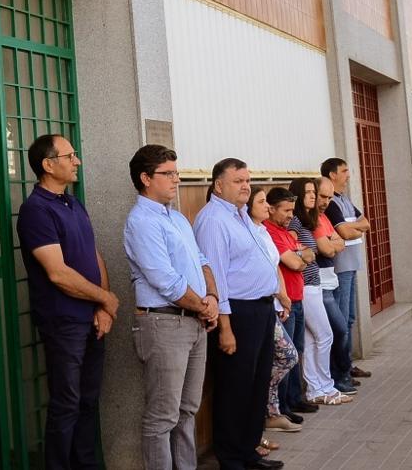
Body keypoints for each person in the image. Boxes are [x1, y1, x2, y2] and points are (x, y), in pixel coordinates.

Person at [16, 134, 117, 470]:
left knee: (88, 401)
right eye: (70, 155)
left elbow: (94, 255)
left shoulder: (73, 203)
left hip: (92, 317)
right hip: (64, 322)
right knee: (67, 403)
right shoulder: (35, 211)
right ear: (48, 165)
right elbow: (57, 274)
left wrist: (103, 307)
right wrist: (105, 298)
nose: (77, 161)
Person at [122, 144, 219, 470]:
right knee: (162, 415)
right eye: (169, 174)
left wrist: (214, 299)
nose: (177, 180)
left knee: (187, 409)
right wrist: (204, 307)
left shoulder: (176, 218)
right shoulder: (141, 222)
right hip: (164, 324)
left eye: (177, 173)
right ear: (146, 178)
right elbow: (166, 281)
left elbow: (202, 261)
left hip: (193, 321)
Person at [194, 159, 287, 470]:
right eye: (238, 181)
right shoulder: (213, 220)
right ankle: (231, 458)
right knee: (235, 387)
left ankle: (248, 451)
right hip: (237, 312)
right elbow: (216, 276)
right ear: (219, 185)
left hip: (261, 309)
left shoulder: (241, 216)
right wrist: (225, 327)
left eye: (248, 180)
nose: (246, 186)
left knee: (256, 383)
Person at [251, 186, 305, 437]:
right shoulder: (253, 231)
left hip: (275, 303)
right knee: (285, 355)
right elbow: (293, 261)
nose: (266, 206)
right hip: (257, 306)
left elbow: (275, 267)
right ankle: (267, 410)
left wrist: (282, 296)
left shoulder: (261, 230)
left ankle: (272, 411)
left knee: (288, 355)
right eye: (261, 202)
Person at [291, 178, 349, 406]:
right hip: (305, 286)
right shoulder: (295, 222)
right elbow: (291, 248)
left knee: (314, 339)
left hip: (314, 284)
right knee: (326, 335)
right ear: (297, 195)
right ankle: (323, 385)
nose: (314, 196)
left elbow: (337, 242)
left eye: (314, 192)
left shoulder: (310, 220)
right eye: (308, 193)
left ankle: (318, 388)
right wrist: (305, 253)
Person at [321, 158, 372, 384]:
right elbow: (345, 232)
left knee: (349, 318)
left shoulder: (345, 200)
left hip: (351, 265)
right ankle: (340, 372)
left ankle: (347, 365)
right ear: (332, 175)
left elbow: (366, 224)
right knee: (340, 322)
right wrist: (353, 229)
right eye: (344, 171)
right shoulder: (331, 203)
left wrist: (353, 228)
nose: (348, 174)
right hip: (340, 268)